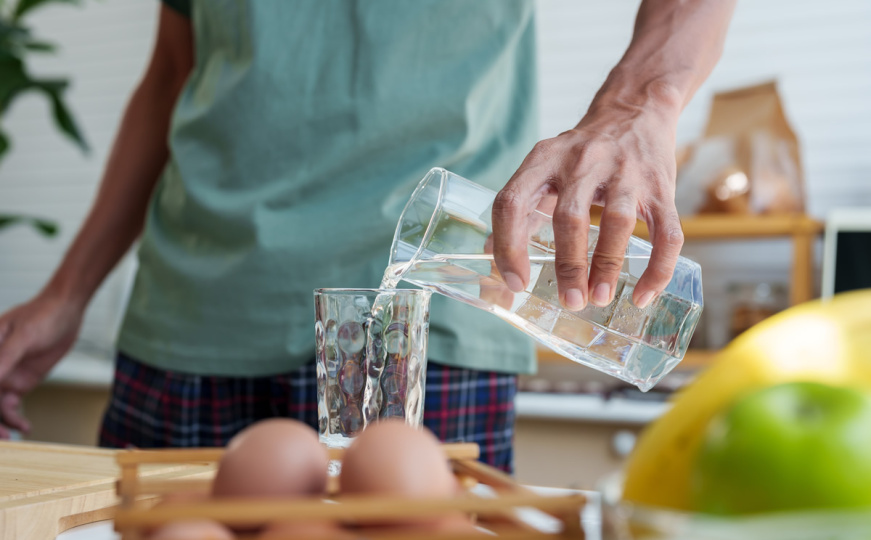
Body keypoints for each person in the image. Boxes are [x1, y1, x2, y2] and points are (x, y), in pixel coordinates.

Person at [0, 1, 734, 471]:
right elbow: (172, 71)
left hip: (439, 315)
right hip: (190, 311)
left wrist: (638, 101)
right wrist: (67, 294)